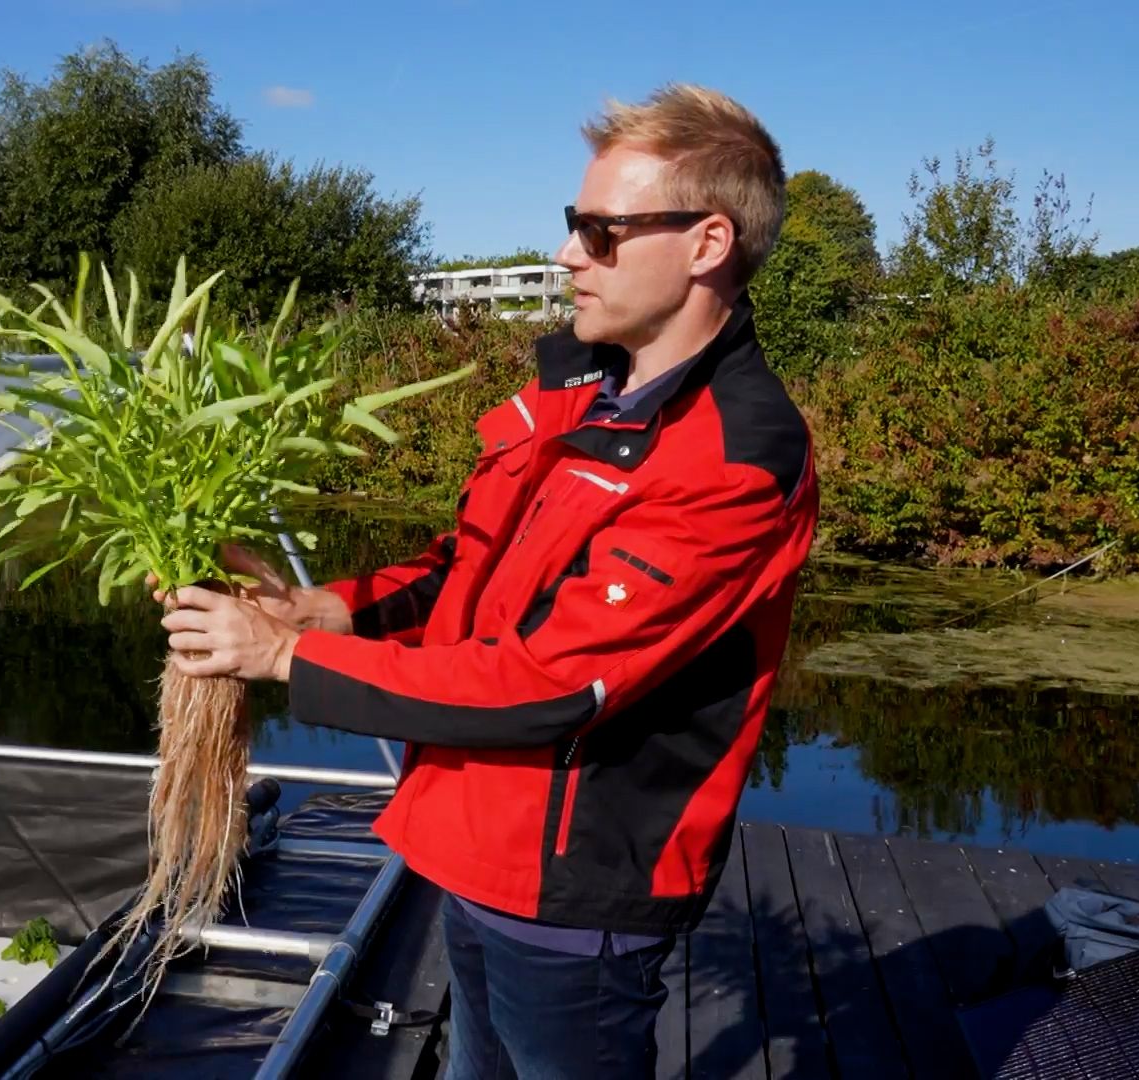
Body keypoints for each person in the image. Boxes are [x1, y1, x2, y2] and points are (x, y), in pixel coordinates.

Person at [158, 83, 817, 1078]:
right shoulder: (583, 389)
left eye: (601, 231)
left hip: (569, 890)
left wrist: (289, 657)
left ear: (707, 244)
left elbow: (549, 682)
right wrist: (329, 606)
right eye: (572, 226)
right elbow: (471, 563)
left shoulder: (735, 455)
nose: (568, 254)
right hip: (464, 838)